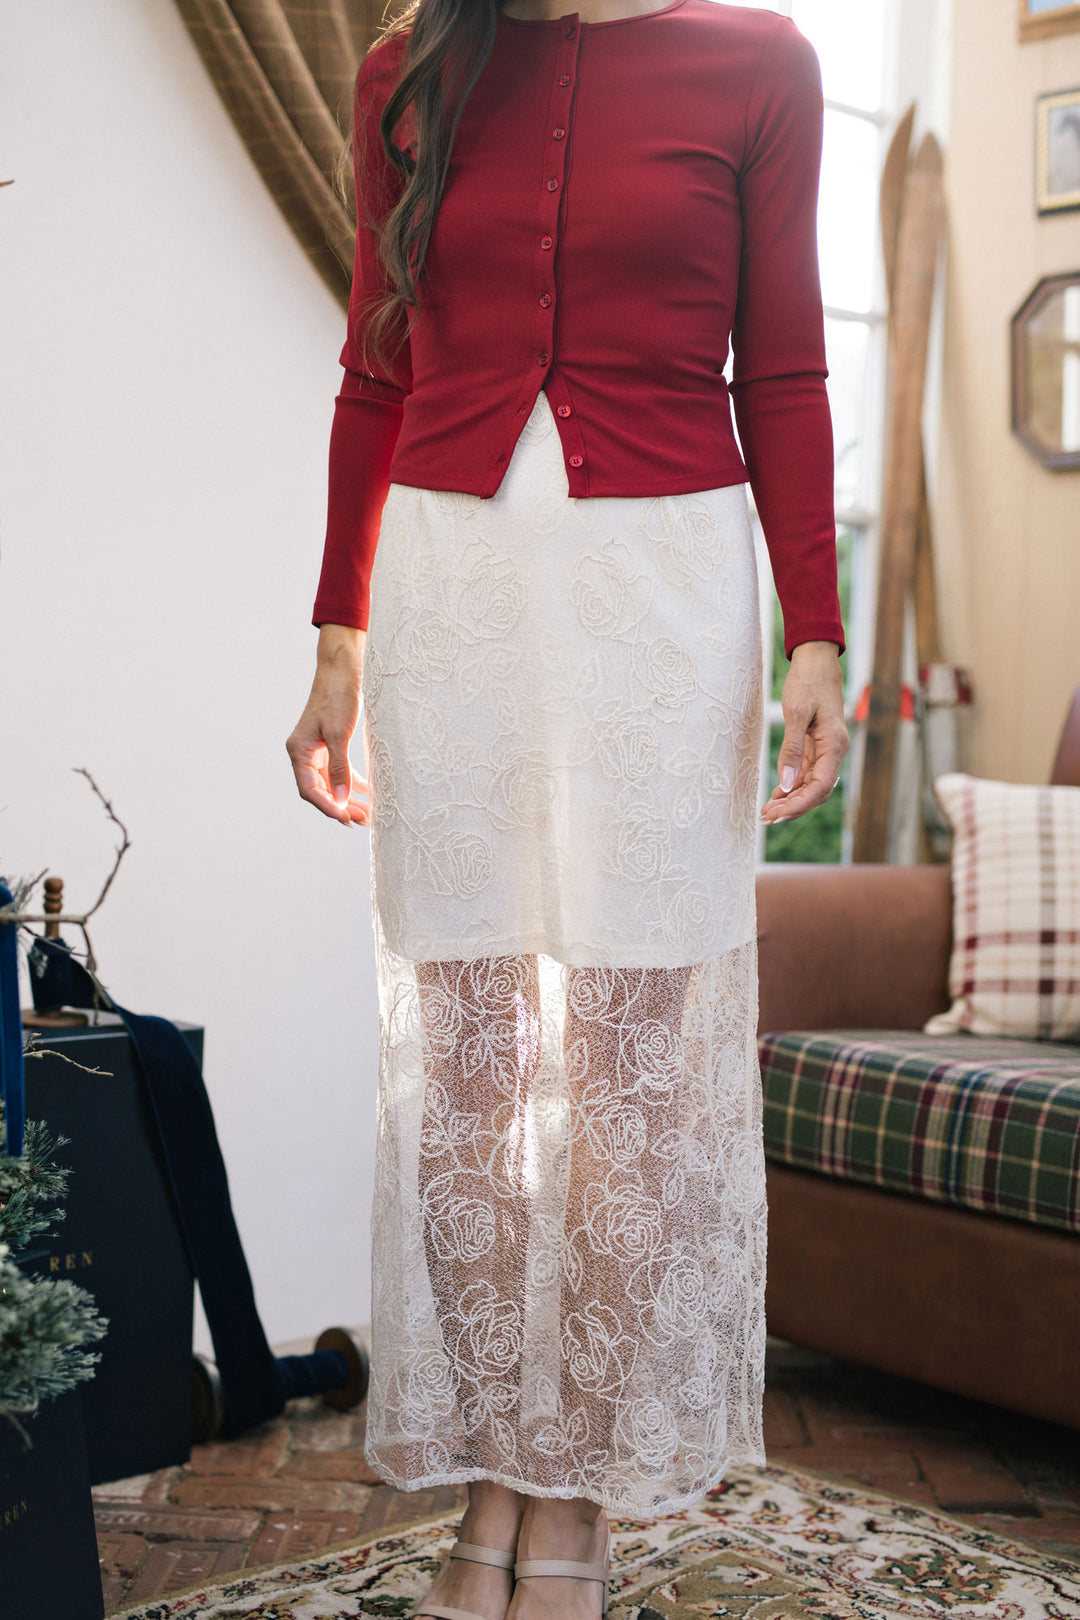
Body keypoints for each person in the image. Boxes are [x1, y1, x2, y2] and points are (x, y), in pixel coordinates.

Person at [287, 0, 850, 1613]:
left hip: (664, 604)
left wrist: (814, 625)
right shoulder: (408, 64)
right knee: (467, 1063)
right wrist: (338, 635)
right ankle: (487, 1477)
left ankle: (577, 1496)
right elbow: (372, 367)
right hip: (454, 597)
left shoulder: (761, 63)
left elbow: (789, 365)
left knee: (624, 1072)